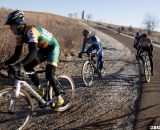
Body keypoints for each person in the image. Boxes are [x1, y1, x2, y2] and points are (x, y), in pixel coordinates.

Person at [0, 10, 64, 107]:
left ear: (17, 24)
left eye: (11, 25)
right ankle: (39, 89)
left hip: (53, 48)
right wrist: (3, 64)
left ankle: (59, 97)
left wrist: (18, 66)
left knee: (49, 75)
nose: (10, 28)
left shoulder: (32, 31)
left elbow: (33, 53)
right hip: (43, 49)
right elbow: (16, 55)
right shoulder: (19, 36)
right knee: (28, 66)